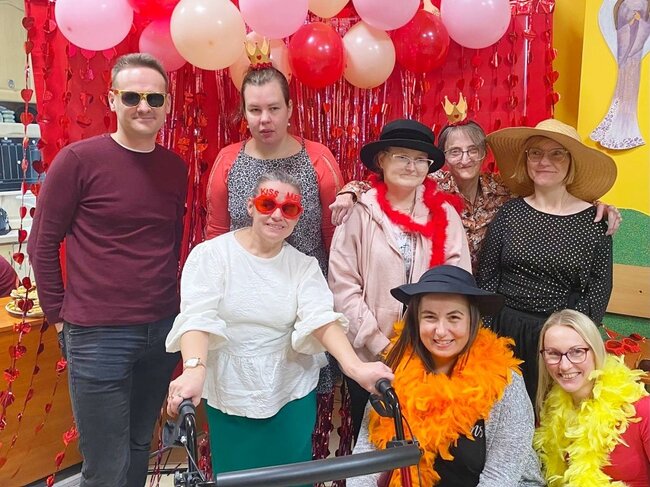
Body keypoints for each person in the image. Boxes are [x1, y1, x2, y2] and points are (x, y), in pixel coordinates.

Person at [165, 170, 393, 482]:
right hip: (231, 391)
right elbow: (197, 318)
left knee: (292, 478)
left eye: (288, 209)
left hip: (291, 391)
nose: (277, 215)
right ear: (250, 206)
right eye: (267, 204)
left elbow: (321, 319)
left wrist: (356, 367)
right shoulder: (211, 256)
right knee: (236, 476)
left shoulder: (303, 266)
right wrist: (194, 369)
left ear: (298, 215)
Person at [27, 53, 187, 487]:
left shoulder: (175, 167)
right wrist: (59, 317)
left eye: (154, 98)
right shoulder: (78, 161)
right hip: (98, 335)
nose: (144, 106)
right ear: (113, 100)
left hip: (161, 330)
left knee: (138, 446)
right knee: (105, 465)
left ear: (166, 105)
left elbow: (170, 240)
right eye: (132, 96)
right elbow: (42, 244)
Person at [204, 58, 345, 457]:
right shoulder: (228, 161)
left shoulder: (317, 158)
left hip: (303, 304)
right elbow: (215, 234)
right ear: (244, 112)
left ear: (290, 109)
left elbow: (336, 238)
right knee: (242, 412)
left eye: (273, 108)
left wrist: (331, 307)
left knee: (295, 410)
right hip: (244, 308)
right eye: (254, 109)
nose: (264, 119)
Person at [328, 119, 471, 441]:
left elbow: (457, 283)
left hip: (431, 354)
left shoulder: (445, 214)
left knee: (426, 442)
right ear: (382, 160)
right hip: (370, 358)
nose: (411, 166)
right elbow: (343, 286)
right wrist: (381, 345)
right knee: (373, 439)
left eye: (420, 159)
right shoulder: (359, 213)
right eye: (402, 157)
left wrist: (430, 342)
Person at [331, 115, 621, 273]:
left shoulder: (503, 189)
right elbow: (383, 185)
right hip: (442, 286)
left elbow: (548, 192)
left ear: (484, 154)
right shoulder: (427, 184)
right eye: (455, 152)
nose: (465, 159)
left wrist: (596, 205)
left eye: (473, 150)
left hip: (492, 286)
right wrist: (350, 192)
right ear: (443, 157)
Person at [349, 265, 544, 487]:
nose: (441, 331)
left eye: (454, 317)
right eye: (430, 317)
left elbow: (501, 476)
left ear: (472, 321)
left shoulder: (505, 381)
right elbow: (368, 454)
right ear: (416, 321)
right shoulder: (393, 371)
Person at [477, 118, 616, 404]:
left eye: (556, 154)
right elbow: (488, 277)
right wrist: (486, 333)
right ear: (526, 160)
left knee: (554, 416)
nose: (544, 161)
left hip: (560, 342)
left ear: (571, 163)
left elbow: (599, 287)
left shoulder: (594, 221)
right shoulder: (510, 213)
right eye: (536, 153)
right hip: (504, 332)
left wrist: (573, 342)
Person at [534, 309, 649, 486]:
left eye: (577, 351)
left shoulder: (642, 410)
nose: (564, 365)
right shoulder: (549, 412)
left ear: (595, 351)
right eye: (553, 353)